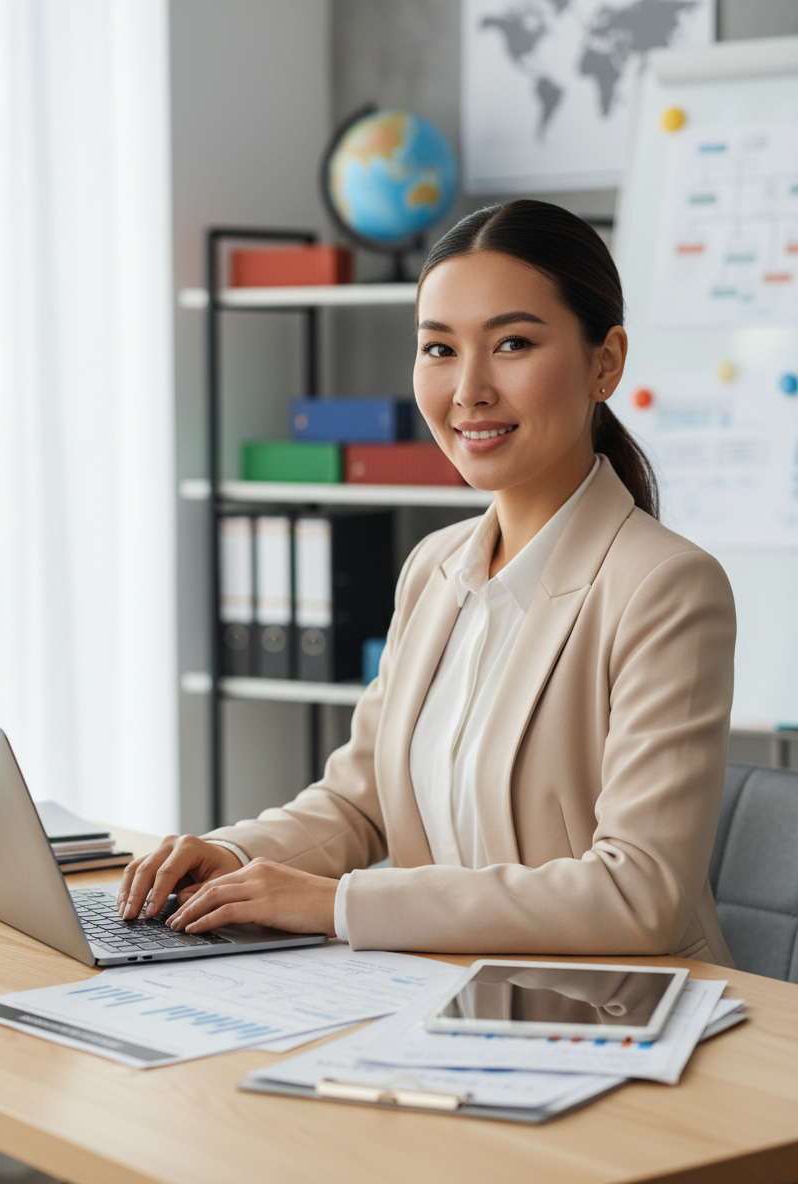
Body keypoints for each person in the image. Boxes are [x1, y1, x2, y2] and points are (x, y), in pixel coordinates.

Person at [119, 200, 735, 964]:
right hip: (444, 996)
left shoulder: (667, 587)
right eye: (439, 349)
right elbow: (357, 802)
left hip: (619, 1012)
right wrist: (232, 857)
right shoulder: (434, 567)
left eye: (512, 343)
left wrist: (337, 904)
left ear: (604, 362)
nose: (468, 389)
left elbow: (635, 895)